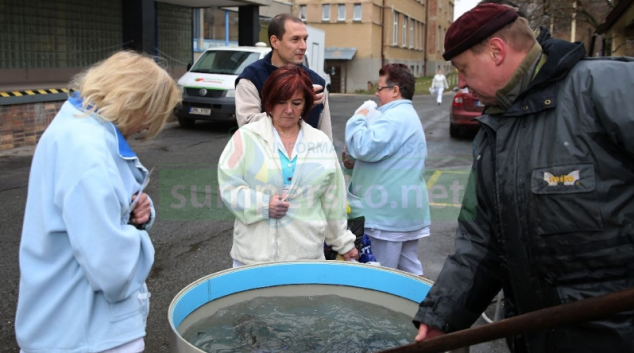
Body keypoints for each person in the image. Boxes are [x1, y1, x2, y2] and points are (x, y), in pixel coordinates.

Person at [413, 3, 634, 352]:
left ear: (497, 51)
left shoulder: (607, 88)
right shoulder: (493, 131)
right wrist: (443, 318)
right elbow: (481, 241)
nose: (465, 85)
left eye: (464, 70)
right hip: (535, 337)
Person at [15, 51, 181, 353]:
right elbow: (114, 271)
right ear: (135, 102)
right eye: (150, 113)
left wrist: (132, 214)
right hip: (87, 333)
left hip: (62, 324)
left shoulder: (73, 124)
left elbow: (87, 215)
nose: (145, 127)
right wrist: (137, 238)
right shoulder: (88, 151)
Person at [219, 64, 358, 266]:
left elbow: (333, 200)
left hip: (305, 256)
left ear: (306, 104)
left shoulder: (320, 142)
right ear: (268, 101)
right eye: (281, 102)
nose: (289, 110)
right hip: (253, 258)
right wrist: (263, 205)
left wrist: (344, 243)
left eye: (297, 102)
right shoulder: (246, 138)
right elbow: (229, 188)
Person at [343, 63, 431, 276]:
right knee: (409, 274)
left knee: (380, 278)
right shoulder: (406, 115)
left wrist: (359, 116)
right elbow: (382, 157)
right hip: (403, 214)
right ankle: (421, 309)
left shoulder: (394, 117)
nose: (376, 93)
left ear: (394, 90)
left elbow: (363, 146)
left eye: (380, 87)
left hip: (386, 217)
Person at [235, 13, 332, 140]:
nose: (303, 46)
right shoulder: (252, 79)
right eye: (295, 39)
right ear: (275, 41)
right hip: (265, 158)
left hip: (307, 158)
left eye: (305, 39)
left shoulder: (316, 82)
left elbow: (325, 135)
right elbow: (247, 126)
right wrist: (300, 106)